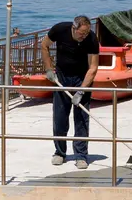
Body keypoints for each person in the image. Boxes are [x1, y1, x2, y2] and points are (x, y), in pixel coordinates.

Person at [42, 16, 100, 170]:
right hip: (62, 77)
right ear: (74, 28)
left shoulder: (92, 40)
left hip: (82, 79)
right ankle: (60, 152)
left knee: (81, 119)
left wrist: (81, 91)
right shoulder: (60, 29)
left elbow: (93, 68)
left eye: (86, 33)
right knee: (60, 118)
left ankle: (81, 155)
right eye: (81, 33)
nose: (84, 36)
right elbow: (44, 45)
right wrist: (48, 69)